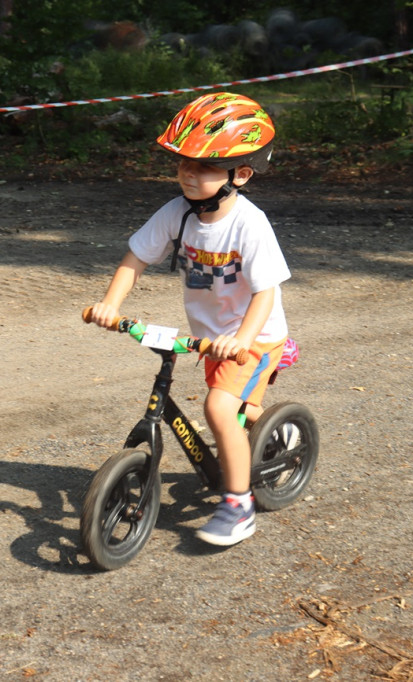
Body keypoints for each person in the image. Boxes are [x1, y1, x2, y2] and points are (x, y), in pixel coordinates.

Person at [88, 92, 292, 547]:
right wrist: (110, 305)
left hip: (255, 337)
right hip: (211, 338)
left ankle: (239, 506)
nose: (187, 172)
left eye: (203, 166)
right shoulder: (176, 213)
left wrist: (241, 339)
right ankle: (273, 433)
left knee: (219, 408)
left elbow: (265, 293)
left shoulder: (250, 224)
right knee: (240, 410)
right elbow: (134, 259)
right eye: (183, 162)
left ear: (240, 174)